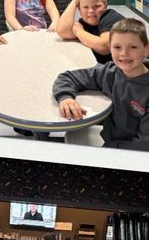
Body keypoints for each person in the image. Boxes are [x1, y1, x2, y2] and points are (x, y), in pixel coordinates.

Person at [55, 18, 149, 148]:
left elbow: (144, 145)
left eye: (133, 47)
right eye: (117, 47)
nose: (124, 53)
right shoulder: (109, 72)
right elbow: (67, 77)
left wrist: (106, 152)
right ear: (110, 48)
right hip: (112, 141)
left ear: (146, 49)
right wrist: (65, 98)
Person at [56, 0, 123, 63]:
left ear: (105, 6)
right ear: (79, 9)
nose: (91, 11)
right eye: (85, 7)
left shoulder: (111, 17)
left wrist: (79, 32)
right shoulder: (83, 24)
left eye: (97, 6)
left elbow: (104, 46)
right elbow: (62, 31)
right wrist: (75, 1)